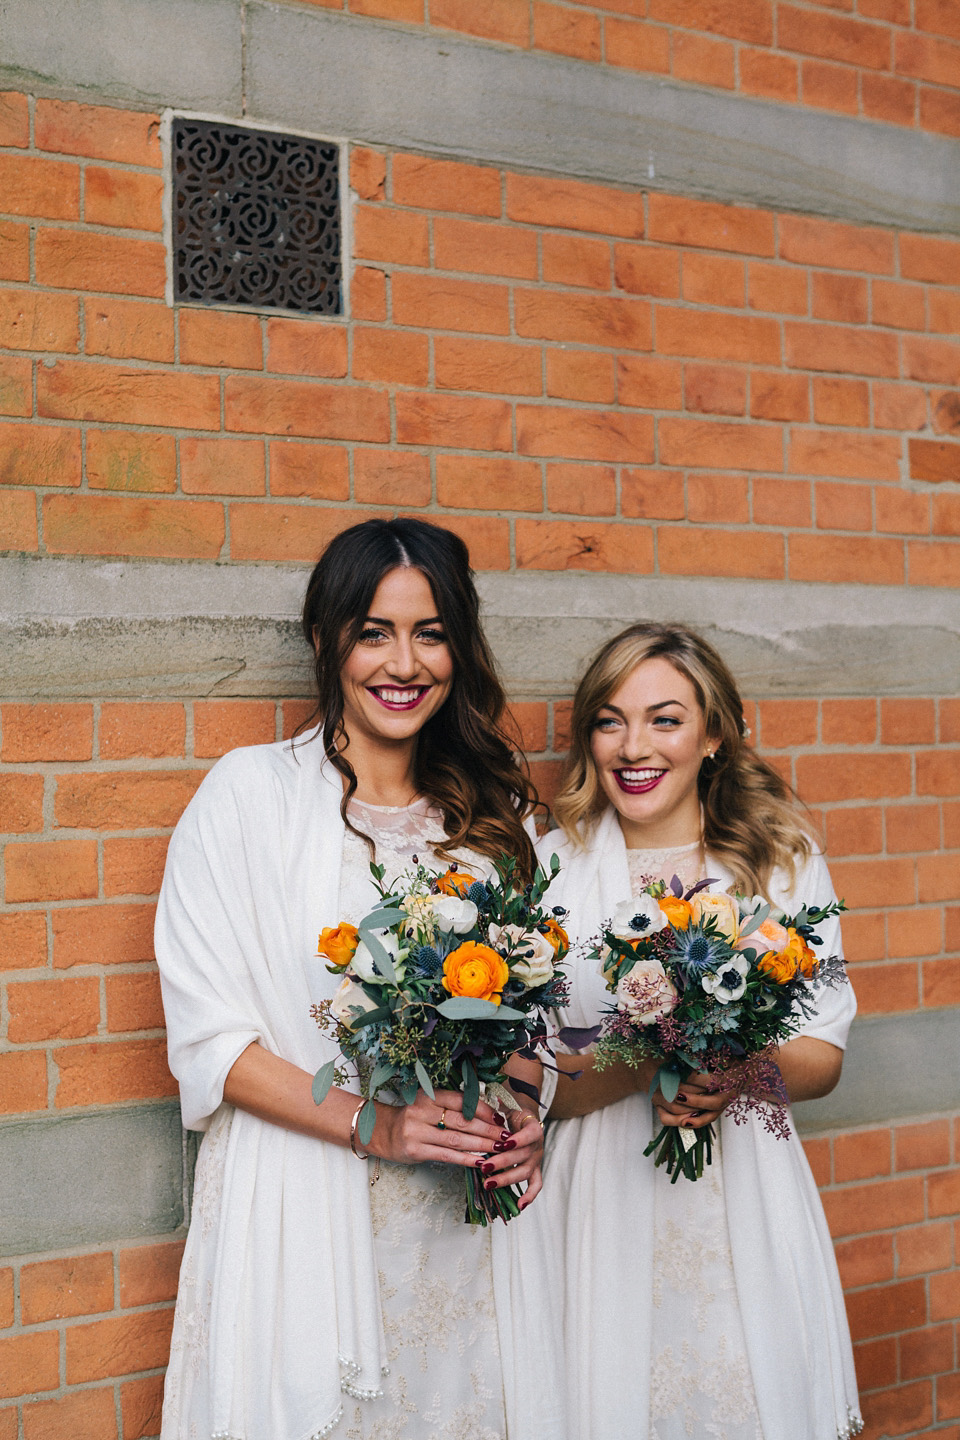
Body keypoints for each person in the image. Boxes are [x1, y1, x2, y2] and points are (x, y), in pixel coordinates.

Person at [155, 518, 546, 1440]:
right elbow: (212, 1043)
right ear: (327, 639)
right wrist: (376, 1123)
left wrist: (527, 1114)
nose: (403, 663)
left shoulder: (497, 821)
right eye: (374, 632)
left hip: (459, 1225)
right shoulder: (248, 798)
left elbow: (537, 1018)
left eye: (431, 632)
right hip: (302, 1202)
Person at [506, 622, 862, 1440]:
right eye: (609, 719)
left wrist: (731, 1072)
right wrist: (641, 1066)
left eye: (665, 719)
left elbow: (823, 1055)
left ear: (712, 736)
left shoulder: (778, 864)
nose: (634, 745)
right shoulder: (547, 866)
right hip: (596, 1193)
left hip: (742, 1188)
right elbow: (524, 1074)